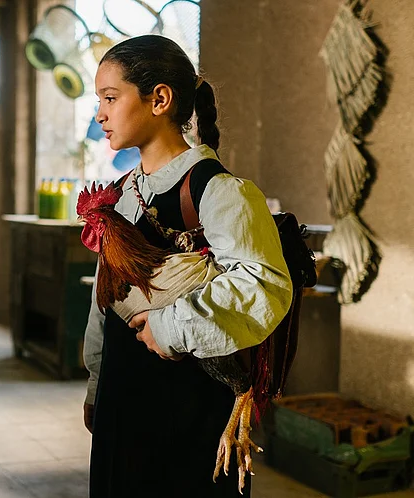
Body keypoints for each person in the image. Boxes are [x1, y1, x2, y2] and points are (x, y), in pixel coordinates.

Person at [82, 35, 293, 497]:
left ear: (159, 99)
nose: (100, 113)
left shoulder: (219, 192)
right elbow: (104, 300)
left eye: (111, 98)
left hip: (188, 405)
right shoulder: (121, 194)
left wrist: (168, 329)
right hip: (124, 395)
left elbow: (265, 286)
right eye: (99, 99)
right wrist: (98, 381)